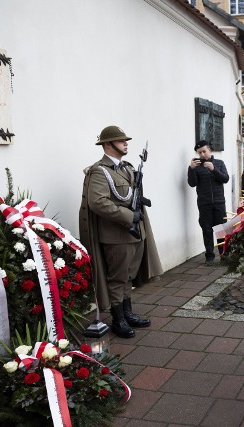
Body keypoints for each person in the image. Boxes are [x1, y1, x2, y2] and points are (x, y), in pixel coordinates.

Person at [80, 125, 163, 338]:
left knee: (128, 276)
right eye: (120, 140)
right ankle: (118, 319)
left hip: (135, 233)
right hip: (116, 236)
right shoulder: (99, 171)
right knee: (117, 278)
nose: (126, 143)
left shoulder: (126, 168)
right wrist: (128, 217)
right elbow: (97, 203)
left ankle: (127, 313)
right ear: (108, 145)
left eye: (125, 140)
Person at [187, 140, 229, 263]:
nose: (202, 154)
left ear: (209, 150)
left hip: (219, 201)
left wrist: (214, 169)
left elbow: (225, 178)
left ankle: (224, 254)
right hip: (204, 203)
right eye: (200, 152)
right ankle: (209, 256)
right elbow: (192, 183)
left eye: (204, 151)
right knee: (206, 229)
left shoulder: (219, 163)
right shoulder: (196, 166)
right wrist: (191, 169)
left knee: (221, 229)